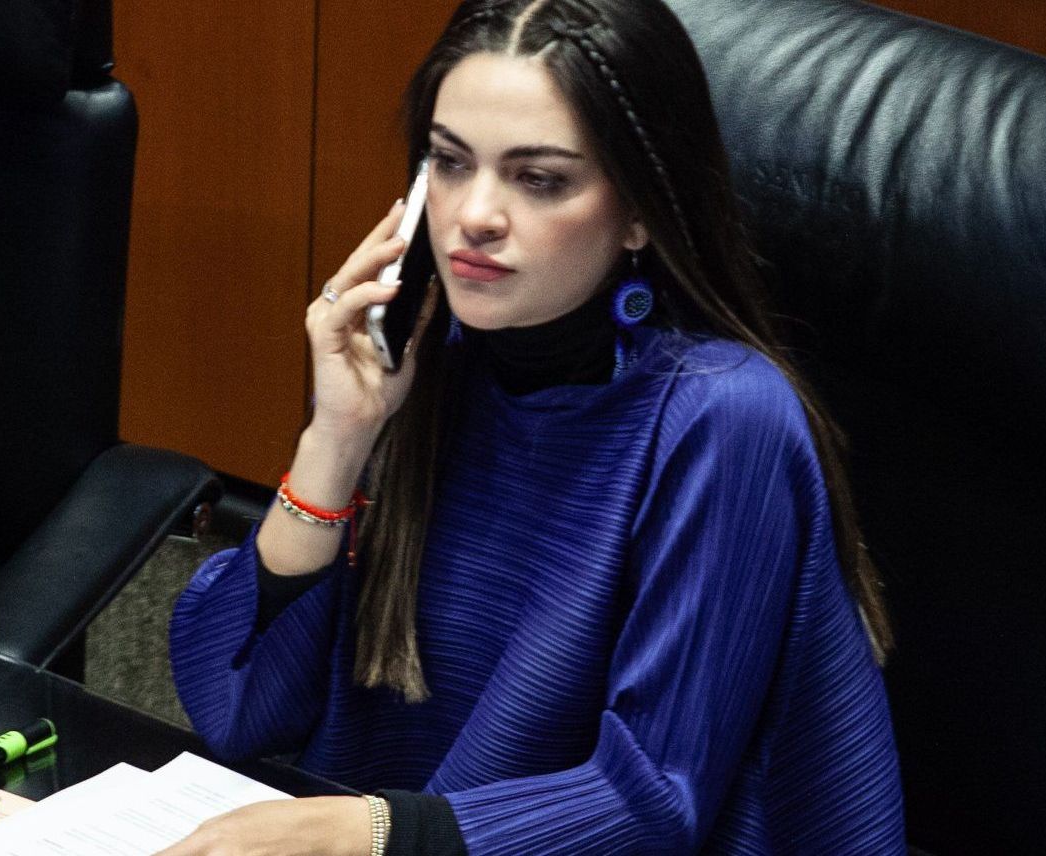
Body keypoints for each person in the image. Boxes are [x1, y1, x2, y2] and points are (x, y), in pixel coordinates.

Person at [162, 0, 905, 853]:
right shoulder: (418, 370)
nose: (474, 214)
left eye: (539, 178)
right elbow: (239, 711)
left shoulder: (723, 419)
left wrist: (370, 834)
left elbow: (654, 800)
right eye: (449, 163)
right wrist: (335, 440)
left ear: (640, 212)